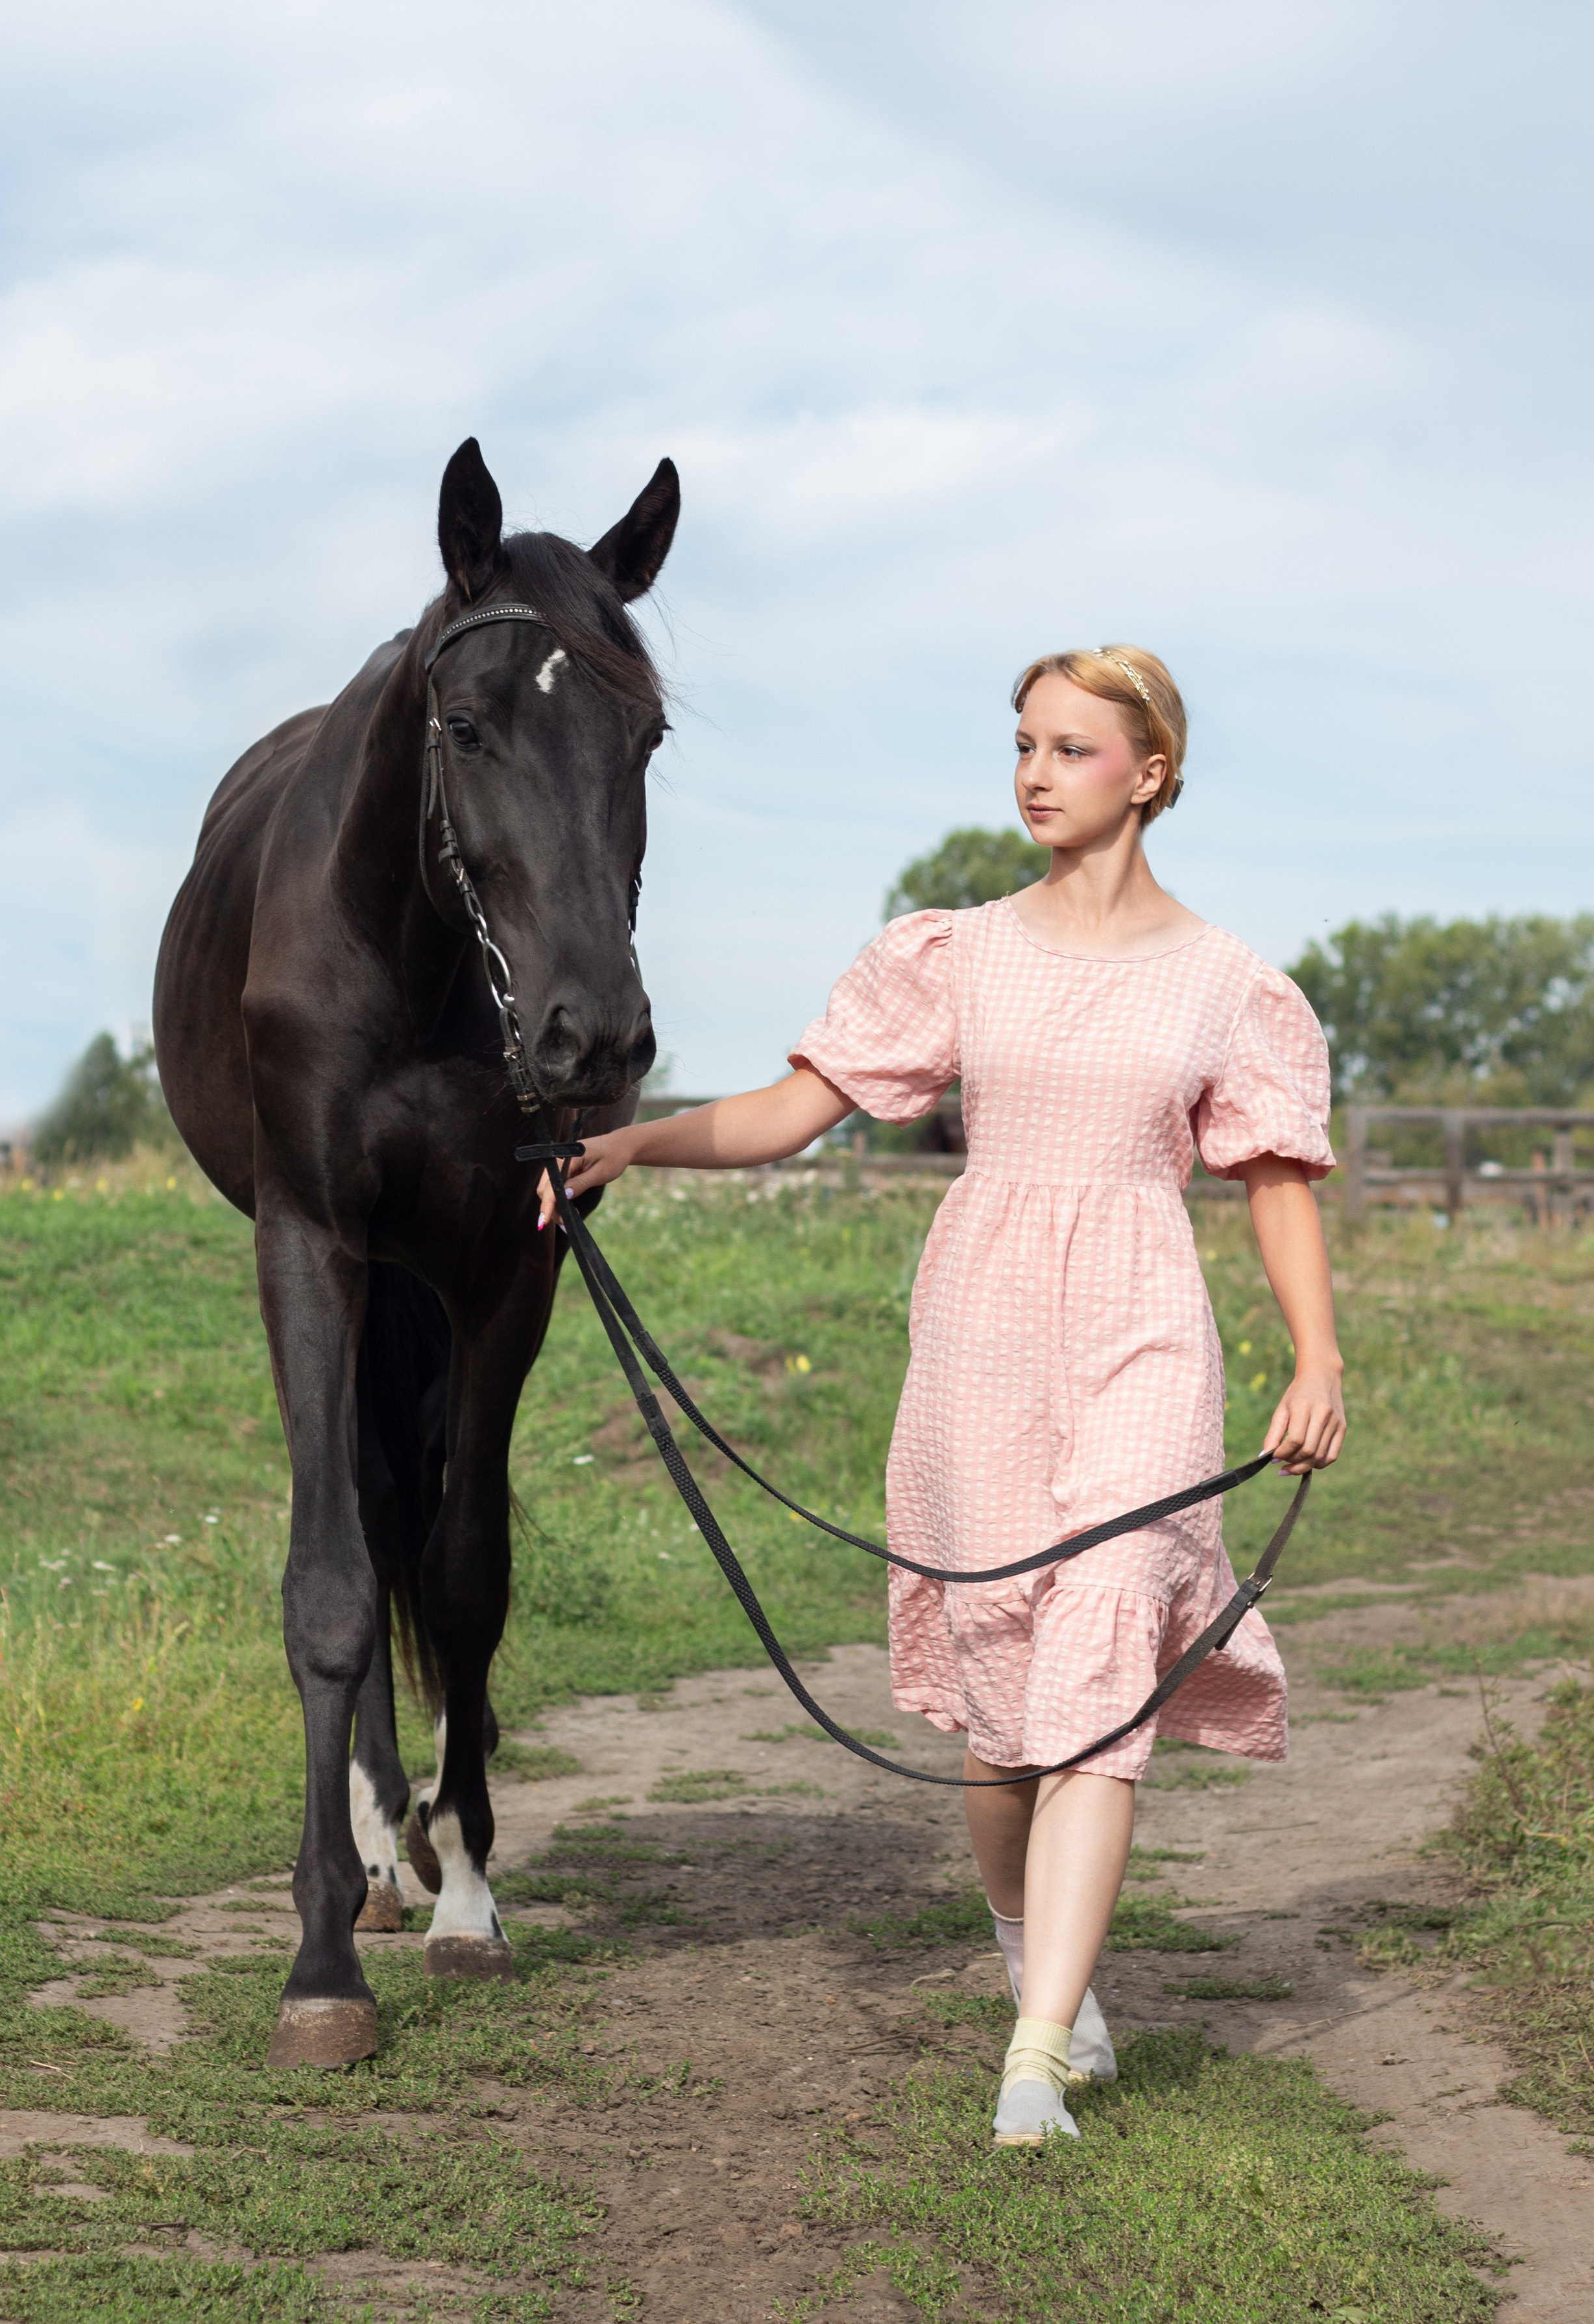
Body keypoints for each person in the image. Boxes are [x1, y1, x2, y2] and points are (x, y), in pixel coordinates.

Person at [540, 645, 1346, 2144]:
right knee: (1001, 1721)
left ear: (1148, 772)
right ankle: (1024, 1949)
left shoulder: (1228, 986)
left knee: (1103, 1654)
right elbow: (793, 1112)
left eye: (1071, 749)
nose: (1036, 772)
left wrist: (1315, 1355)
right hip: (979, 1339)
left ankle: (1035, 2051)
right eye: (1022, 745)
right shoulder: (953, 953)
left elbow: (1276, 1186)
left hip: (1143, 1336)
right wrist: (634, 1143)